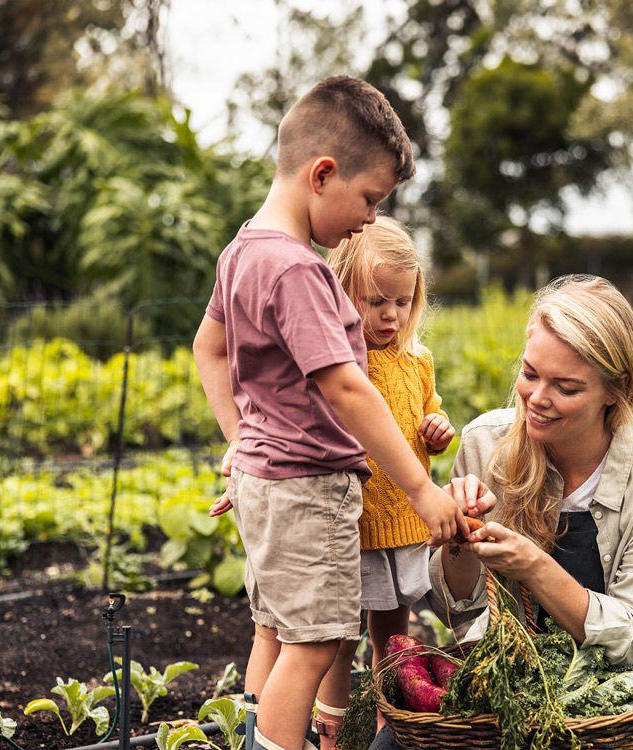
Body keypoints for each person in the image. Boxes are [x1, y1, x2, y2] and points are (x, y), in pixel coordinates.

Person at [193, 76, 468, 750]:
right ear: (322, 174)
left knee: (274, 632)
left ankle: (253, 739)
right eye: (369, 198)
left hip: (265, 481)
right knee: (314, 648)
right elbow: (347, 390)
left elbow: (209, 347)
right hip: (308, 490)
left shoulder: (243, 251)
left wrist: (242, 439)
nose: (370, 218)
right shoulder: (297, 271)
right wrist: (420, 488)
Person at [371, 274, 633, 750]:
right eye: (529, 374)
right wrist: (462, 541)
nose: (537, 399)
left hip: (612, 710)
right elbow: (456, 611)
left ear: (615, 390)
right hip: (507, 691)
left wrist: (535, 567)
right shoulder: (486, 442)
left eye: (565, 387)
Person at [309, 216, 455, 748]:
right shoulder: (344, 363)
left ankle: (388, 730)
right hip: (355, 522)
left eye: (401, 300)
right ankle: (334, 735)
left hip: (403, 525)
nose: (390, 314)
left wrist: (438, 432)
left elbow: (427, 417)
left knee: (393, 637)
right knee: (338, 642)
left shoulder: (418, 361)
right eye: (375, 301)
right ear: (344, 290)